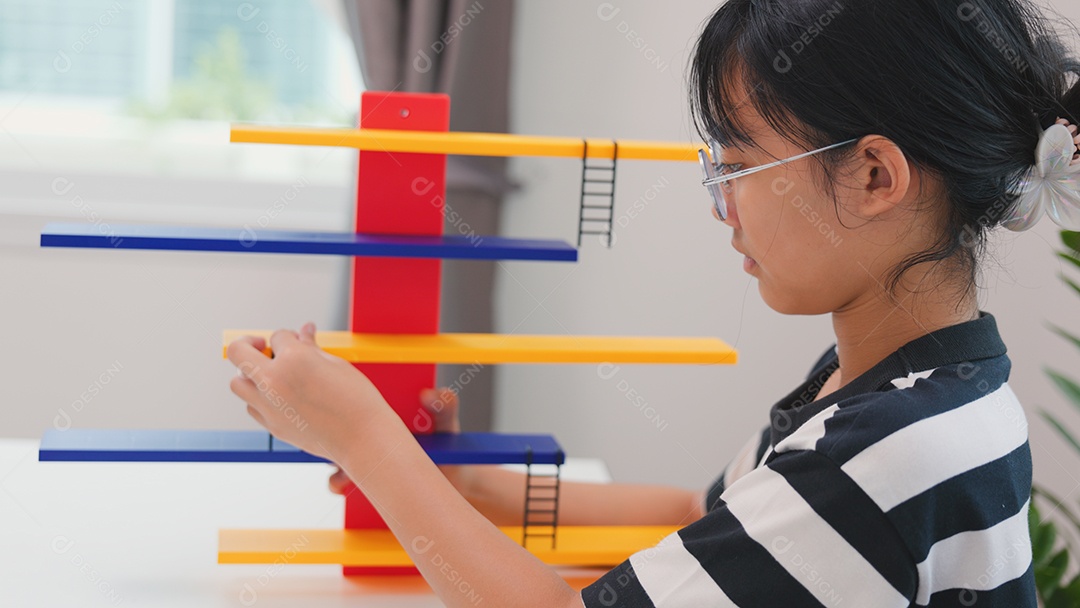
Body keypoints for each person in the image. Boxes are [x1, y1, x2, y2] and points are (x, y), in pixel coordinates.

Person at [225, 0, 1080, 605]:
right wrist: (460, 483)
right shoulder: (923, 388)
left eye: (737, 166)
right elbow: (693, 521)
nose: (723, 204)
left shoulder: (887, 455)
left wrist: (369, 442)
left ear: (872, 175)